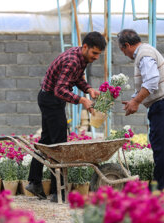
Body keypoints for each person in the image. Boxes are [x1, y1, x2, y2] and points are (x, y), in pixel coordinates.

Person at [26, 31, 106, 202]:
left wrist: (88, 89)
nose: (97, 57)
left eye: (99, 54)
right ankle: (58, 192)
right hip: (51, 100)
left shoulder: (81, 58)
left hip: (49, 99)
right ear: (85, 47)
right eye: (95, 53)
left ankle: (34, 182)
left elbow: (75, 79)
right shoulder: (72, 60)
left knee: (47, 141)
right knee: (59, 145)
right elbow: (60, 90)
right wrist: (82, 100)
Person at [117, 29, 164, 190]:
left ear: (127, 45)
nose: (124, 54)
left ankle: (161, 188)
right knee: (160, 145)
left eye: (122, 50)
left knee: (162, 148)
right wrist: (133, 99)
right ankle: (159, 186)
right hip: (163, 103)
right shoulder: (145, 51)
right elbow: (148, 81)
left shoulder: (144, 54)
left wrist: (136, 101)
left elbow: (152, 81)